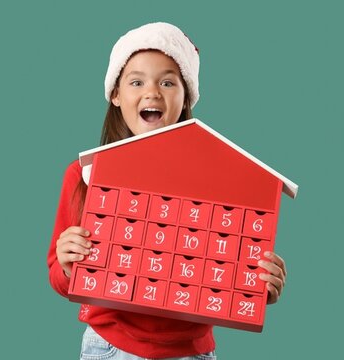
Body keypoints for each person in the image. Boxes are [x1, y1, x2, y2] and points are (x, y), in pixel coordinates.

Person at [47, 22, 288, 360]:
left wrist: (256, 285)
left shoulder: (218, 175)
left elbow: (226, 263)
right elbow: (59, 277)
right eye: (136, 81)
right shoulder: (84, 174)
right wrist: (68, 264)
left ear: (186, 96)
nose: (152, 93)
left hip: (191, 351)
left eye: (167, 82)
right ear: (115, 95)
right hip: (110, 347)